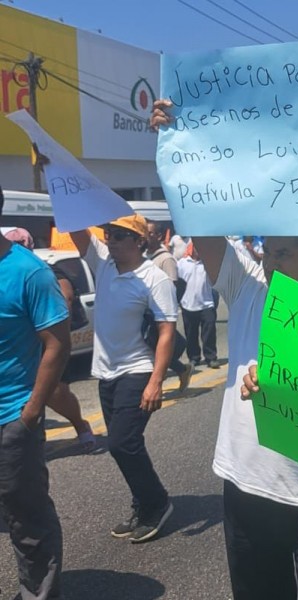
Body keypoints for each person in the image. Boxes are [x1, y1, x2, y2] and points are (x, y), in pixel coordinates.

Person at [154, 79, 298, 600]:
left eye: (285, 256)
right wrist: (174, 146)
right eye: (267, 253)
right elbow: (202, 224)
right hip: (248, 488)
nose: (270, 266)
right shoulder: (250, 293)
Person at [70, 214, 177, 543]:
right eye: (108, 234)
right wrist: (53, 173)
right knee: (124, 446)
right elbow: (77, 230)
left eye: (119, 235)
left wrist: (156, 381)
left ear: (138, 241)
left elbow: (166, 330)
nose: (110, 240)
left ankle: (157, 503)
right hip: (106, 373)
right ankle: (143, 502)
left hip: (137, 370)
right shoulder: (103, 264)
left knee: (121, 443)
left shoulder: (154, 278)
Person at [0, 187, 70, 599]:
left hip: (11, 417)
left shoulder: (28, 272)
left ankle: (38, 593)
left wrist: (30, 413)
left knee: (27, 516)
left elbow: (57, 344)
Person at [3, 226, 96, 452]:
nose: (21, 246)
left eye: (24, 243)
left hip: (43, 349)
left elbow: (64, 302)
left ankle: (80, 425)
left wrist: (29, 415)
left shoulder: (41, 270)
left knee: (56, 393)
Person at [145, 220, 193, 392]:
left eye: (150, 233)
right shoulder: (144, 256)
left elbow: (172, 285)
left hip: (159, 313)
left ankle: (180, 369)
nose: (146, 236)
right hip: (145, 311)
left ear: (159, 236)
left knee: (156, 347)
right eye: (145, 232)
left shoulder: (166, 258)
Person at [177, 244, 219, 369]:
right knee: (191, 334)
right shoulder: (182, 263)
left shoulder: (208, 263)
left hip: (206, 303)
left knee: (209, 332)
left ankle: (211, 357)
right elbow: (178, 283)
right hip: (188, 304)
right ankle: (194, 358)